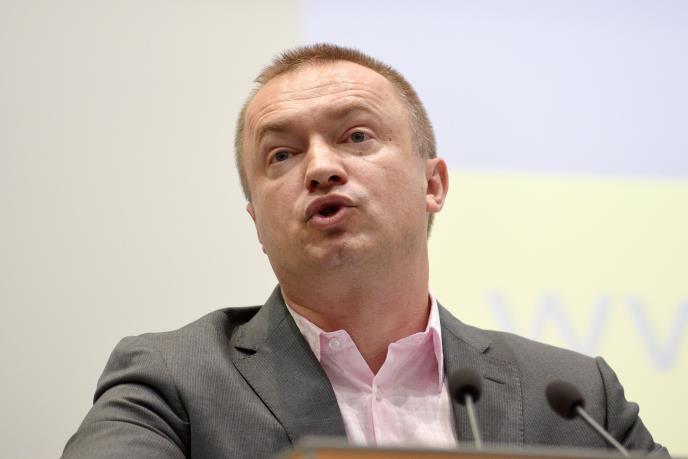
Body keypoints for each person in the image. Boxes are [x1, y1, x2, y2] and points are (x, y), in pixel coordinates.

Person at [63, 43, 667, 458]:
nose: (321, 167)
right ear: (256, 221)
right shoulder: (171, 381)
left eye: (356, 136)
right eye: (282, 154)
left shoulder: (575, 397)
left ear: (433, 185)